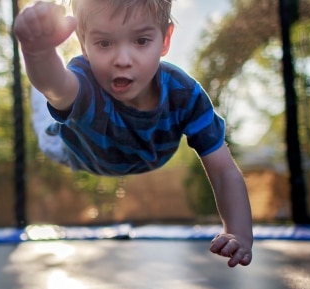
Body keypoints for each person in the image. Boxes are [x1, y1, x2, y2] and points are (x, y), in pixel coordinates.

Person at [14, 0, 253, 267]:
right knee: (49, 92)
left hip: (132, 153)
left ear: (165, 39)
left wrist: (239, 232)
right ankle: (40, 78)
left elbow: (223, 171)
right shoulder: (85, 80)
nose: (123, 60)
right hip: (67, 147)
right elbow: (58, 87)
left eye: (141, 40)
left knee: (53, 89)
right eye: (104, 43)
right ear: (83, 44)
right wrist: (36, 52)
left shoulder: (185, 96)